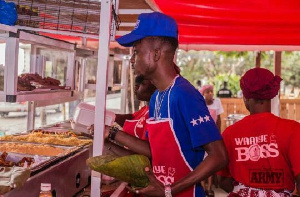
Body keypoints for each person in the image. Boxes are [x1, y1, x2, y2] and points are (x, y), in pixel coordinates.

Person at [105, 12, 228, 197]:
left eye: (136, 52)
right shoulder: (157, 98)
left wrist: (170, 191)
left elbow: (219, 156)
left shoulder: (184, 95)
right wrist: (107, 141)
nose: (132, 60)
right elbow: (154, 152)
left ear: (156, 54)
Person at [218, 68, 300, 196]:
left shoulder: (230, 133)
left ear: (245, 98)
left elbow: (222, 180)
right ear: (272, 95)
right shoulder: (292, 129)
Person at [199, 84, 224, 196]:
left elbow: (219, 120)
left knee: (211, 160)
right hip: (202, 136)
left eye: (211, 91)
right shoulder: (200, 103)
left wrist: (218, 134)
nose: (210, 94)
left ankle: (209, 188)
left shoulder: (217, 102)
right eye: (207, 92)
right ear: (203, 94)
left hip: (212, 136)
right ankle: (202, 187)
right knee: (202, 162)